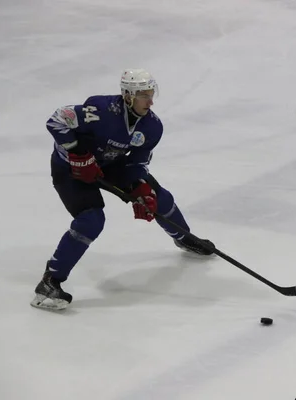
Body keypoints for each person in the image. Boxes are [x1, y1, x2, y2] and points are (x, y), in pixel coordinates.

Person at [31, 69, 215, 310]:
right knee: (91, 220)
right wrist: (77, 153)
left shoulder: (152, 126)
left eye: (151, 94)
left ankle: (184, 237)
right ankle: (50, 282)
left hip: (108, 165)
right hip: (70, 171)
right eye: (144, 96)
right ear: (128, 96)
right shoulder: (99, 110)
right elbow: (56, 119)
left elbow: (137, 163)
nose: (150, 101)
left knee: (158, 196)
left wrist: (140, 188)